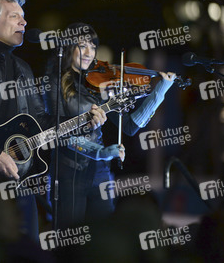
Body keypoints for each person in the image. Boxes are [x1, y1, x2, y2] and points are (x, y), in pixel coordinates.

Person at [0, 0, 107, 241]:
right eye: (14, 16)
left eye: (24, 16)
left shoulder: (22, 69)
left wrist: (84, 123)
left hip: (17, 178)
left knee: (25, 244)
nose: (24, 22)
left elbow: (40, 121)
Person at [44, 22, 176, 229]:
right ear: (69, 48)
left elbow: (131, 126)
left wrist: (160, 92)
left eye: (93, 46)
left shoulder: (101, 83)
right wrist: (99, 151)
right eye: (83, 46)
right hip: (68, 173)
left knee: (104, 238)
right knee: (69, 242)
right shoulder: (54, 83)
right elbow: (58, 132)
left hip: (100, 174)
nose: (90, 53)